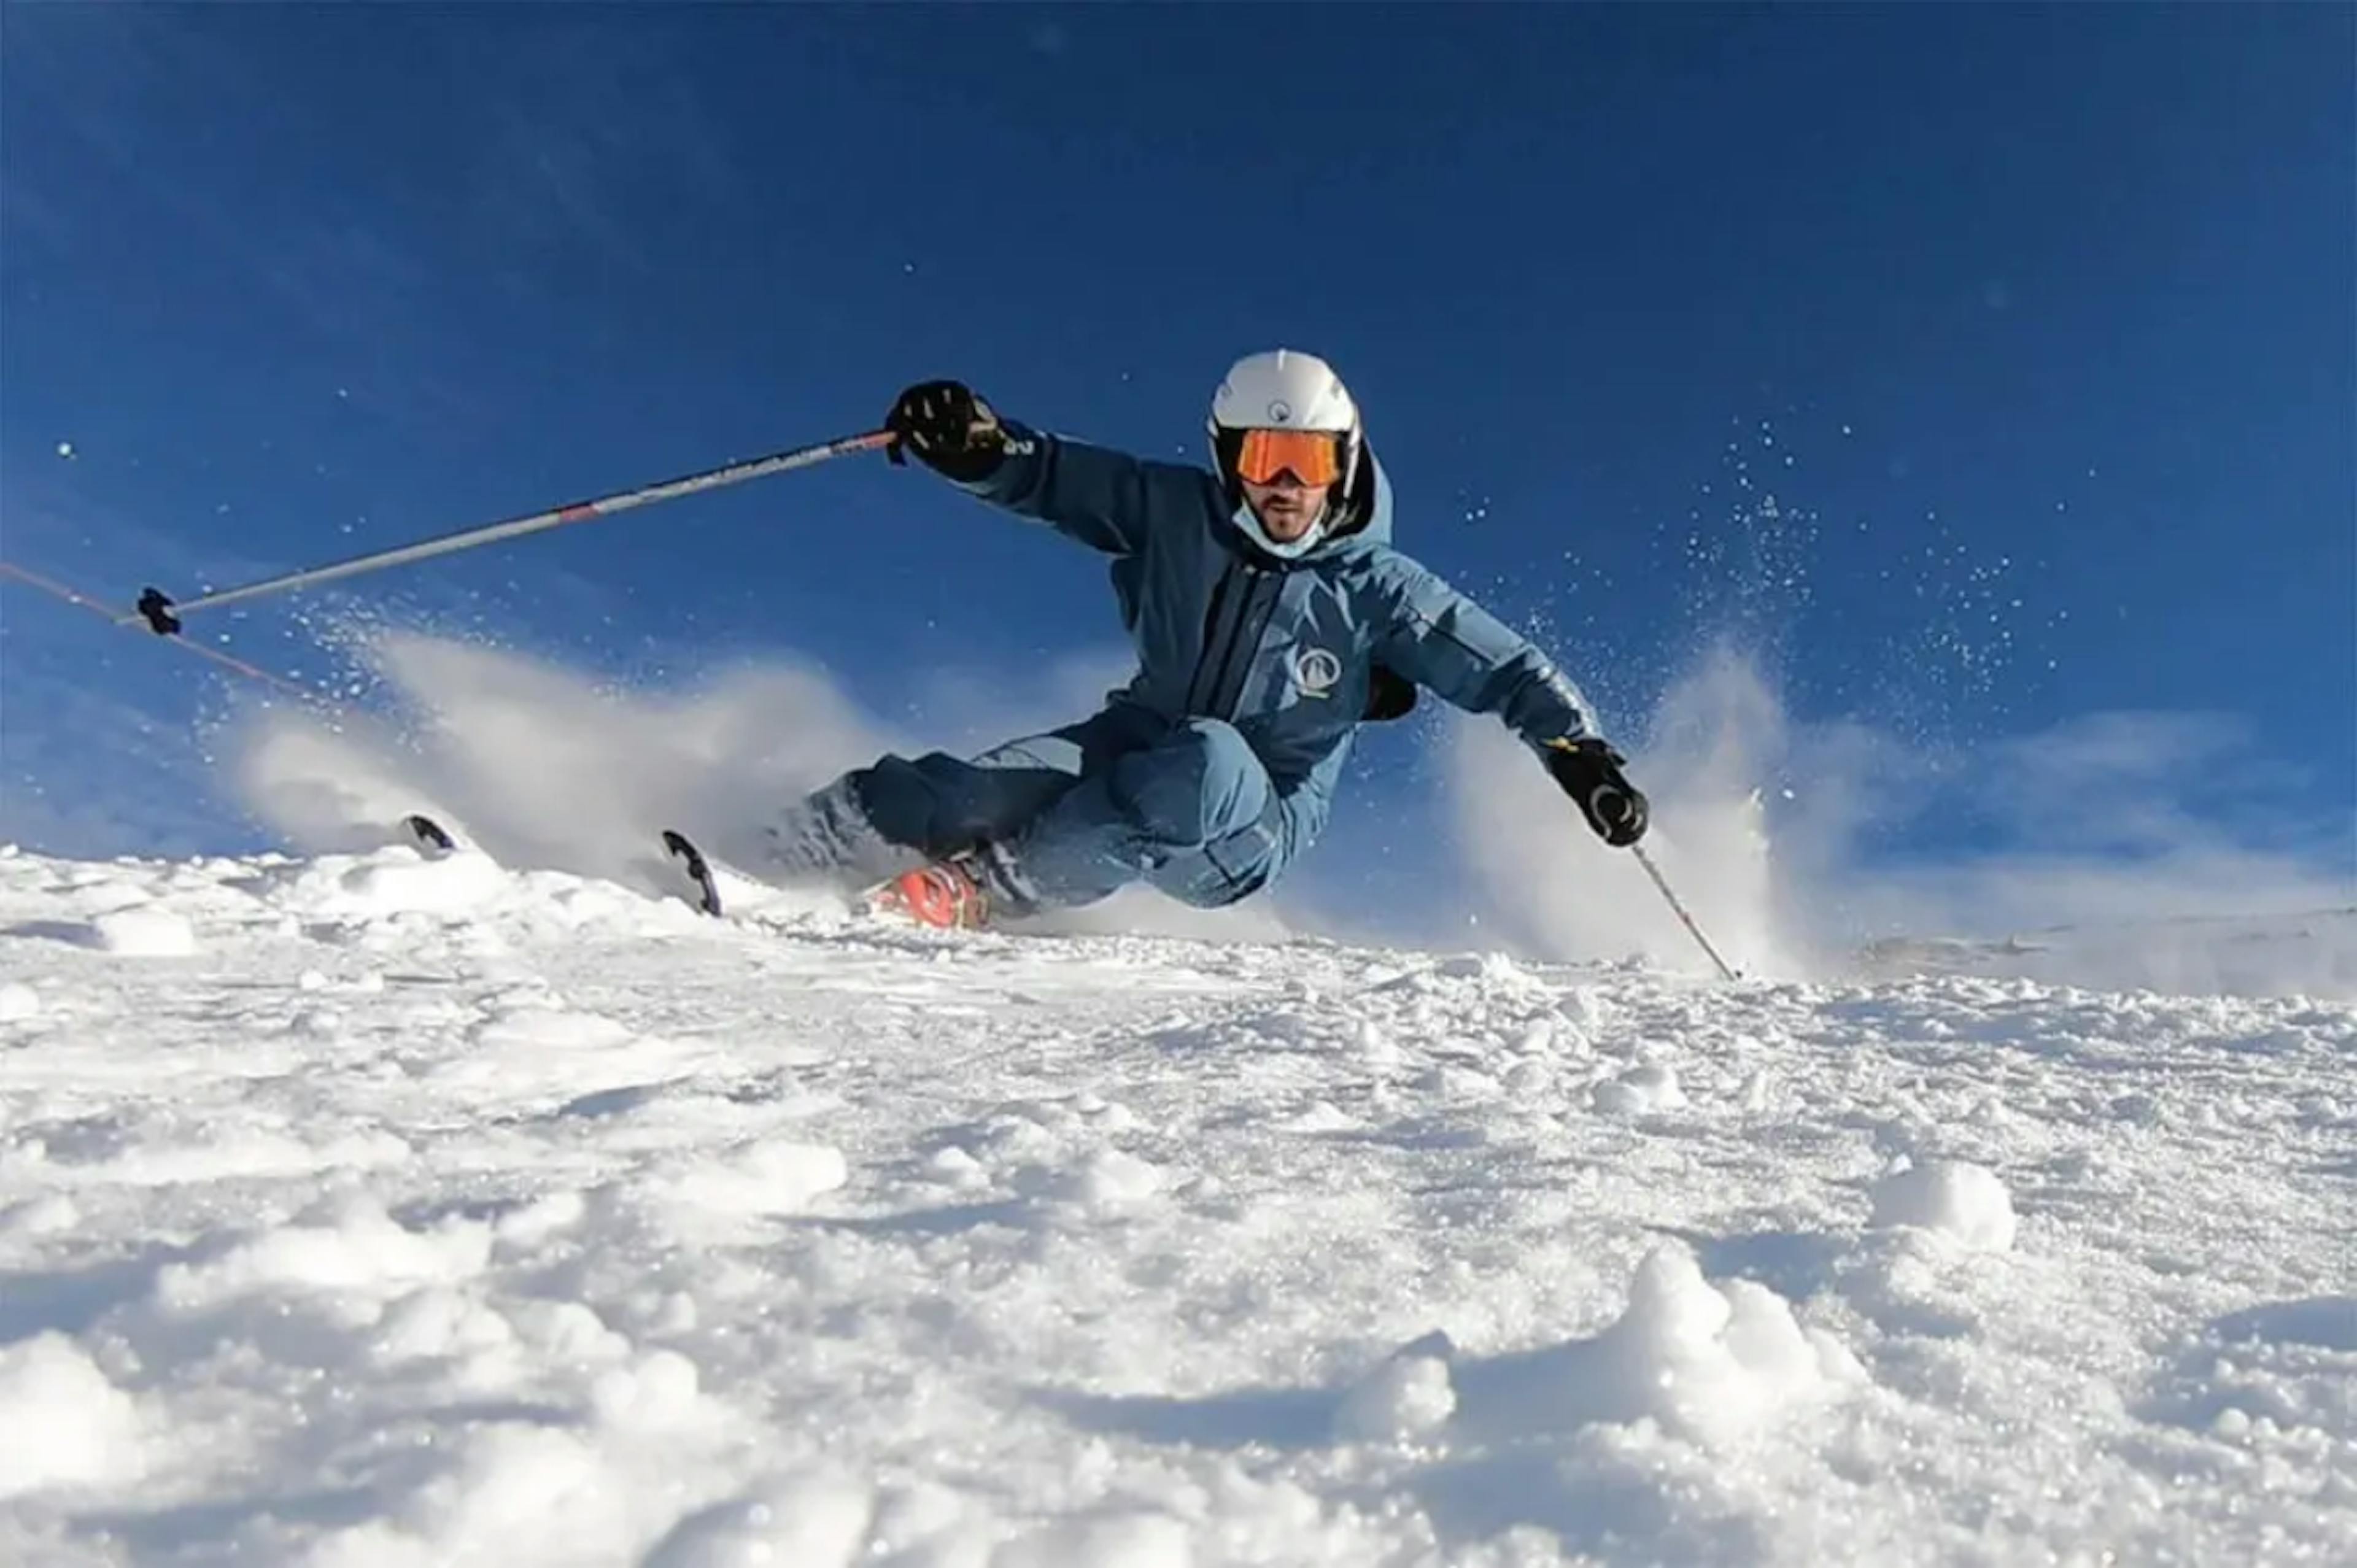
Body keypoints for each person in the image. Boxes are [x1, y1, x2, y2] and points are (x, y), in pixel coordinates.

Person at [758, 349, 1648, 927]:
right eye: (1267, 459)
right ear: (1230, 459)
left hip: (1253, 817)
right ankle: (785, 848)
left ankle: (982, 891)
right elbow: (1057, 477)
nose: (1290, 486)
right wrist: (979, 446)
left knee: (1208, 763)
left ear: (1346, 462)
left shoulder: (1377, 588)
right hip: (1135, 735)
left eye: (1315, 461)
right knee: (969, 789)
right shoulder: (1178, 516)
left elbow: (1504, 669)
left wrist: (1582, 756)